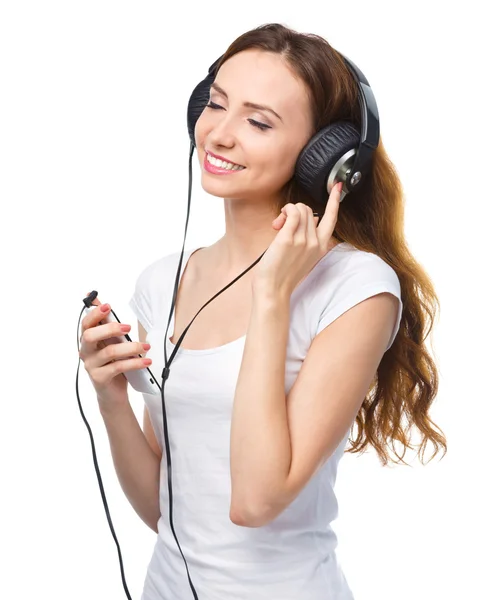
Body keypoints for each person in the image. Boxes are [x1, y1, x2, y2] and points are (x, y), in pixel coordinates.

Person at [80, 22, 447, 600]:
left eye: (258, 121)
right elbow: (162, 512)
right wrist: (112, 399)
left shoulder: (355, 289)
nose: (219, 134)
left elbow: (255, 501)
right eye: (216, 104)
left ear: (327, 157)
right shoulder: (163, 281)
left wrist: (273, 296)